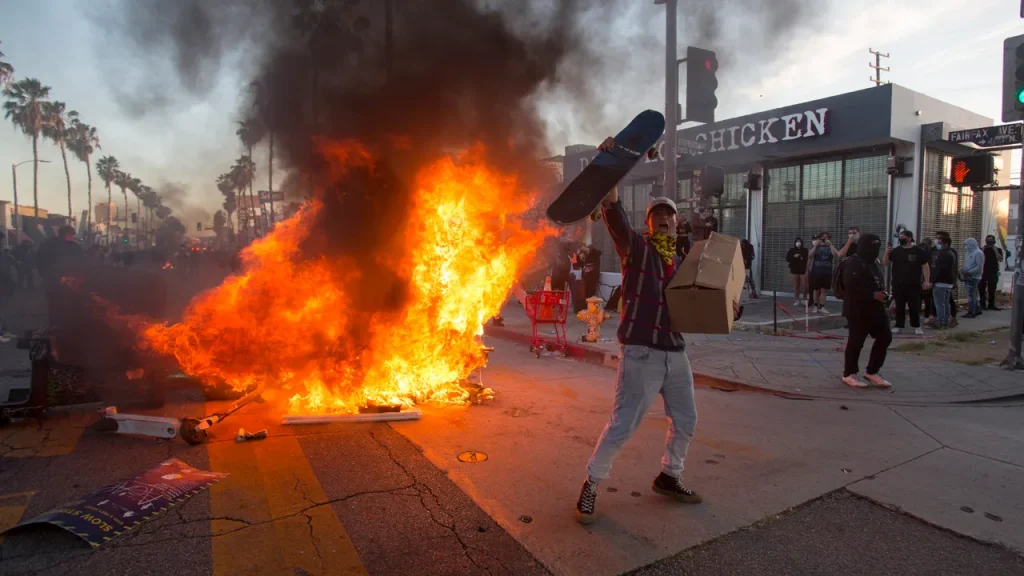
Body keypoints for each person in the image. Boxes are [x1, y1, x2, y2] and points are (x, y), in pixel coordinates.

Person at [575, 137, 741, 525]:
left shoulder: (683, 261)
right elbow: (613, 209)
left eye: (669, 215)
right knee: (623, 424)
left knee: (686, 420)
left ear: (676, 222)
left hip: (675, 352)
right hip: (641, 351)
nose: (664, 219)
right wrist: (611, 161)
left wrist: (730, 305)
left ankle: (670, 476)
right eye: (657, 215)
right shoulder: (636, 249)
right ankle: (591, 484)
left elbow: (701, 302)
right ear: (649, 223)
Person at [841, 233, 892, 389]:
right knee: (856, 342)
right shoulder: (853, 262)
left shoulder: (873, 262)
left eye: (877, 246)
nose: (875, 249)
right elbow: (849, 289)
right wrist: (871, 294)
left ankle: (872, 371)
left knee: (885, 337)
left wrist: (884, 295)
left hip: (876, 308)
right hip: (858, 309)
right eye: (872, 246)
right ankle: (849, 374)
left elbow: (876, 282)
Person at [883, 230, 929, 335]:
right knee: (899, 306)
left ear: (909, 238)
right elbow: (885, 263)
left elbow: (925, 266)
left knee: (914, 306)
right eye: (900, 236)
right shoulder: (895, 251)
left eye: (903, 236)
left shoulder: (918, 251)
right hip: (898, 284)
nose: (900, 238)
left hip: (914, 284)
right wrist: (886, 252)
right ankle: (898, 325)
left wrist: (927, 280)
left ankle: (916, 326)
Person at [930, 231, 957, 329]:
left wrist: (932, 281)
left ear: (946, 244)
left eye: (940, 243)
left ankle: (941, 321)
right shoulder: (951, 253)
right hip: (948, 283)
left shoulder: (943, 254)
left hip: (940, 283)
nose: (938, 245)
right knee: (945, 303)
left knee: (939, 303)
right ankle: (945, 321)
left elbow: (938, 269)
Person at [807, 232, 838, 314]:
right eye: (823, 237)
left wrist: (830, 244)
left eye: (826, 237)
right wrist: (816, 245)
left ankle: (822, 306)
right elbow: (810, 255)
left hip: (827, 272)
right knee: (816, 290)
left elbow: (835, 254)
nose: (825, 239)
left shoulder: (830, 246)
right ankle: (815, 306)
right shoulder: (816, 246)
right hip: (816, 272)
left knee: (824, 290)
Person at [960, 238, 984, 318]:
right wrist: (963, 269)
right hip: (967, 275)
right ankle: (977, 309)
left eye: (966, 245)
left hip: (974, 276)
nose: (965, 247)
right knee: (972, 293)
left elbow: (979, 266)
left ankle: (971, 311)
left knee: (971, 294)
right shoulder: (968, 252)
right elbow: (968, 264)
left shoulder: (978, 253)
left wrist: (970, 272)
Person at [979, 235, 1003, 311]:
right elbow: (979, 259)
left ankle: (991, 305)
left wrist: (994, 249)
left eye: (991, 240)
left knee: (992, 290)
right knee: (981, 289)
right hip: (983, 272)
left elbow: (1000, 259)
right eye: (988, 240)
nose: (989, 242)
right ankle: (982, 304)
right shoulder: (982, 249)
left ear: (994, 241)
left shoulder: (998, 249)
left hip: (993, 272)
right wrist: (983, 249)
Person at [786, 237, 809, 307]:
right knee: (796, 286)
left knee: (805, 285)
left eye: (799, 241)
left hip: (803, 270)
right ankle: (796, 300)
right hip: (794, 270)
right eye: (797, 241)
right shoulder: (791, 250)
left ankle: (804, 299)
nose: (798, 243)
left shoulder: (805, 250)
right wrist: (794, 257)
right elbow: (788, 259)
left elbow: (808, 259)